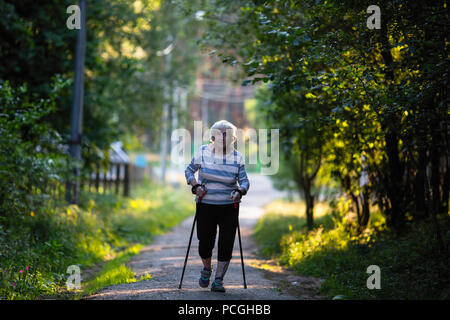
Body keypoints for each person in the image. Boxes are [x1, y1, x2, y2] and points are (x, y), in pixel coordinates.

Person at [185, 120, 250, 292]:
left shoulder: (237, 157)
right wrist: (195, 186)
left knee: (226, 242)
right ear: (213, 136)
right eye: (220, 133)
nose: (223, 136)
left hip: (229, 206)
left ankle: (219, 280)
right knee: (204, 242)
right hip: (205, 204)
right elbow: (189, 170)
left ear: (233, 138)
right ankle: (207, 268)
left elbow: (244, 180)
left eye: (227, 134)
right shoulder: (202, 152)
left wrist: (240, 191)